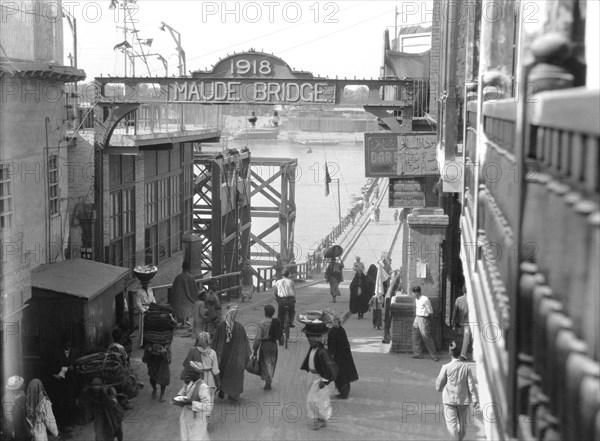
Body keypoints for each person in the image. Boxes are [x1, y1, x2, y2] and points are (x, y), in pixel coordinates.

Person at [436, 342, 479, 441]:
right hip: (463, 400)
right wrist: (475, 399)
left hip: (449, 401)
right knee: (462, 425)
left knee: (452, 426)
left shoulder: (445, 367)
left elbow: (439, 384)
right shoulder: (466, 367)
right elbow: (471, 385)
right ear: (460, 354)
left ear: (449, 354)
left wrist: (440, 388)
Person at [300, 327, 339, 430]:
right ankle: (319, 419)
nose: (309, 342)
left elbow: (330, 367)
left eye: (310, 340)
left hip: (319, 378)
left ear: (317, 340)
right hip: (312, 376)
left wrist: (324, 380)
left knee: (314, 399)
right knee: (314, 399)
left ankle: (320, 420)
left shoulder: (322, 352)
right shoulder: (313, 349)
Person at [211, 305, 252, 401]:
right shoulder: (239, 327)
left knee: (222, 371)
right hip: (235, 356)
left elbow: (215, 341)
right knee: (234, 374)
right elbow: (244, 343)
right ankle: (232, 394)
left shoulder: (221, 325)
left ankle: (222, 389)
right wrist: (245, 355)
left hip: (223, 355)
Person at [49, 335, 78, 437]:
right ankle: (62, 426)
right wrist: (65, 368)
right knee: (61, 404)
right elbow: (53, 368)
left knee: (70, 402)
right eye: (66, 344)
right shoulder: (57, 354)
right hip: (60, 384)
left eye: (69, 344)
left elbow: (77, 364)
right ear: (62, 344)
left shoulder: (74, 352)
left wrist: (74, 369)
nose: (68, 346)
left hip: (71, 382)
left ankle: (68, 424)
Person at [326, 311, 358, 399]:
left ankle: (343, 393)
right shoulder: (341, 329)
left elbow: (332, 348)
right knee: (344, 374)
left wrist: (329, 358)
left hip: (338, 357)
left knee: (340, 375)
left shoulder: (332, 332)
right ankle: (344, 391)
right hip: (345, 354)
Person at [252, 304, 284, 390]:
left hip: (265, 345)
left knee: (264, 363)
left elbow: (258, 338)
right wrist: (281, 342)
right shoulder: (277, 322)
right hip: (273, 345)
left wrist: (255, 350)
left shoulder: (261, 323)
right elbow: (280, 335)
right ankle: (269, 380)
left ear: (265, 313)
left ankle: (267, 380)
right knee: (272, 362)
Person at [177, 373, 213, 441]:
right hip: (186, 415)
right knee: (185, 436)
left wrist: (191, 403)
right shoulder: (189, 382)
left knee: (197, 438)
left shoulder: (203, 387)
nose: (189, 375)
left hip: (198, 417)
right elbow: (184, 390)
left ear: (199, 375)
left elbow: (207, 406)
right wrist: (179, 397)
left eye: (192, 373)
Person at [411, 286, 438, 361]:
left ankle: (434, 355)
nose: (413, 294)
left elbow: (430, 311)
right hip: (417, 317)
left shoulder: (425, 299)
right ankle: (417, 353)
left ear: (416, 292)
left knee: (426, 337)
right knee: (415, 335)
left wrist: (429, 321)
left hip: (423, 318)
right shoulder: (417, 299)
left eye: (413, 293)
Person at [171, 261, 198, 331]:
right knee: (186, 309)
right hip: (188, 301)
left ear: (182, 267)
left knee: (180, 311)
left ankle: (181, 322)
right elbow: (195, 290)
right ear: (189, 268)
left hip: (179, 301)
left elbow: (173, 290)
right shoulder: (191, 278)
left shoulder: (178, 277)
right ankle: (186, 321)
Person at [2, 376, 28, 441]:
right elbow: (8, 416)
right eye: (22, 384)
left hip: (20, 424)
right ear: (17, 387)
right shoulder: (7, 397)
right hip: (11, 426)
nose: (24, 384)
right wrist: (13, 430)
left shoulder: (22, 393)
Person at [135, 280, 156, 348]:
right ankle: (143, 343)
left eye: (147, 283)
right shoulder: (139, 292)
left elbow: (153, 300)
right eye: (144, 283)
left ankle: (151, 341)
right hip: (144, 311)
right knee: (143, 327)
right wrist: (144, 311)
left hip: (150, 310)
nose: (146, 284)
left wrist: (152, 307)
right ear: (142, 284)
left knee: (151, 326)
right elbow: (138, 304)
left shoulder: (150, 290)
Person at [382, 270, 402, 344]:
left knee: (388, 323)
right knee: (387, 323)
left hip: (390, 305)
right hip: (388, 303)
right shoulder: (391, 286)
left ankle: (387, 338)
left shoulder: (394, 285)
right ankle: (387, 337)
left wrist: (397, 275)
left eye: (393, 276)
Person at [453, 286, 471, 361]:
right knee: (466, 336)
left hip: (461, 321)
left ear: (462, 291)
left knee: (465, 336)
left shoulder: (458, 299)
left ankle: (460, 351)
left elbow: (455, 310)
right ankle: (463, 354)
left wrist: (453, 320)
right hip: (470, 320)